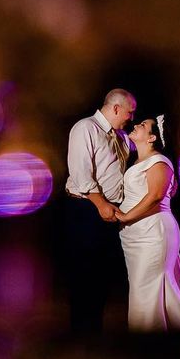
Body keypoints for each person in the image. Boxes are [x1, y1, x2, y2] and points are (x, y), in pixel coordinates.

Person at [114, 115, 180, 332]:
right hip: (136, 237)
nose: (136, 125)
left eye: (143, 125)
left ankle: (148, 343)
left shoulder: (160, 162)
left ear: (152, 137)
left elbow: (155, 196)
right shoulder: (137, 161)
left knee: (146, 288)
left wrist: (126, 217)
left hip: (153, 234)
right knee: (153, 288)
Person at [62, 88, 136, 334]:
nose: (131, 117)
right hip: (87, 210)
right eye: (129, 112)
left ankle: (94, 331)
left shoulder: (122, 137)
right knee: (84, 275)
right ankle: (81, 333)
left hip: (110, 213)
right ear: (116, 108)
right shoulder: (86, 128)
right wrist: (100, 203)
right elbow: (81, 172)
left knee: (101, 277)